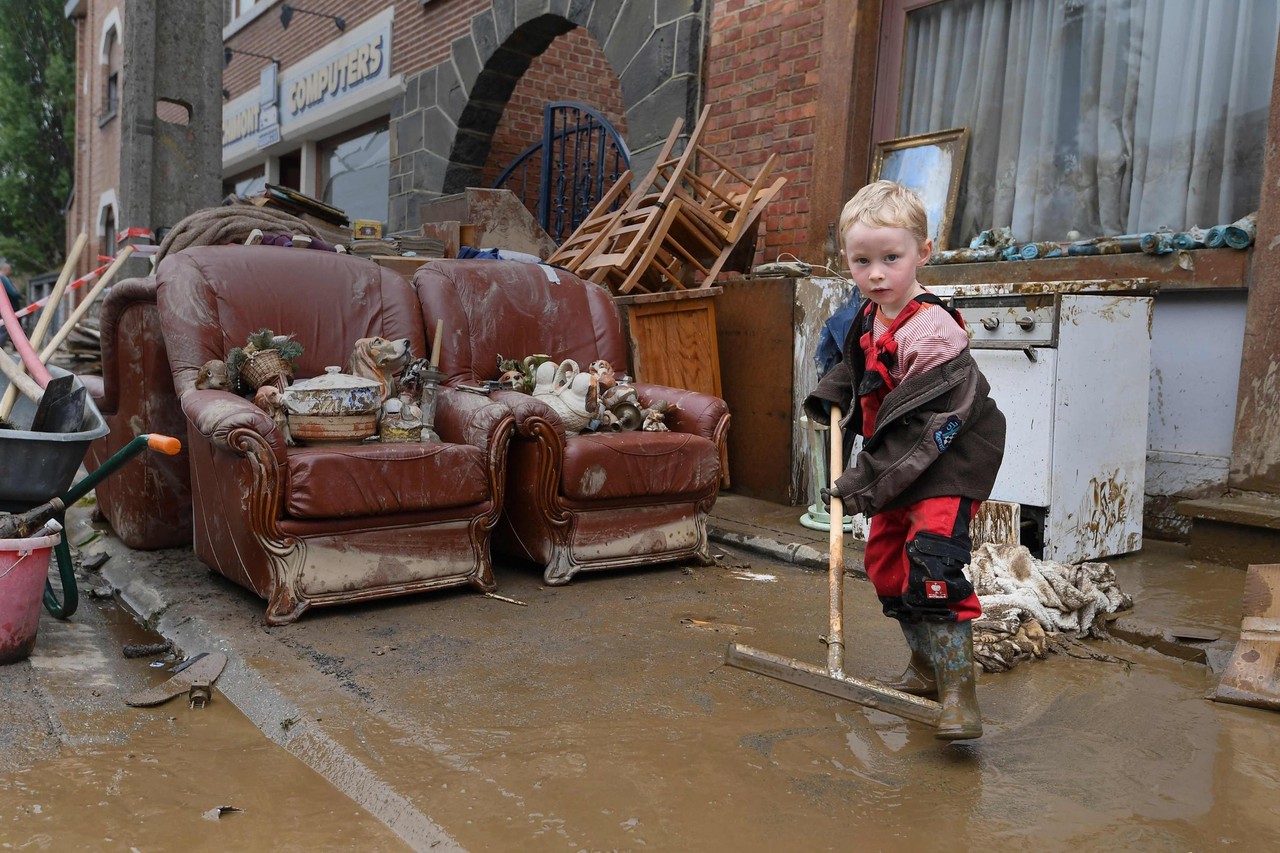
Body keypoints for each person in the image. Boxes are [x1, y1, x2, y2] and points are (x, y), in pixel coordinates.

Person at [804, 181, 1006, 740]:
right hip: (898, 460)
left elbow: (924, 430)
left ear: (923, 252)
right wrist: (831, 393)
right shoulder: (870, 316)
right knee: (888, 564)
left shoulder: (933, 333)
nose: (875, 273)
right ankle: (924, 667)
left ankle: (960, 694)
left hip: (945, 459)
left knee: (932, 564)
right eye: (860, 260)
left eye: (891, 258)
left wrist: (859, 482)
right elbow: (859, 367)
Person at [0, 259, 23, 348]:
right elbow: (12, 293)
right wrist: (20, 295)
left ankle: (18, 347)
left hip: (5, 308)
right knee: (6, 328)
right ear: (6, 270)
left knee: (14, 328)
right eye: (10, 270)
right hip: (10, 308)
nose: (11, 272)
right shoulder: (3, 278)